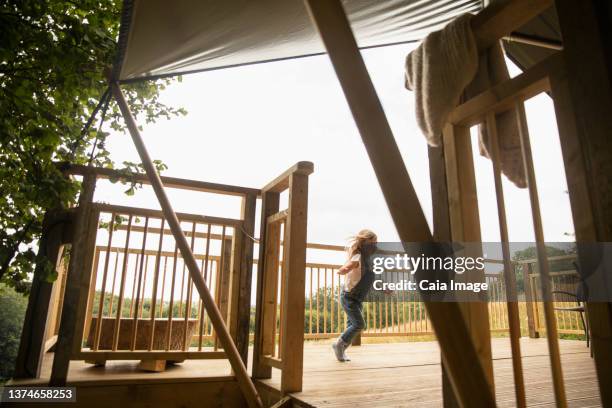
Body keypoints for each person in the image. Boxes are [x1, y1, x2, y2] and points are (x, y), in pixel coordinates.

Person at [332, 229, 378, 362]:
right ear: (364, 243)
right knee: (359, 324)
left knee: (352, 325)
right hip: (349, 297)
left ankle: (341, 350)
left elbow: (371, 278)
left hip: (357, 299)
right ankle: (338, 345)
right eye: (372, 243)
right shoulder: (358, 256)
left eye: (376, 243)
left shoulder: (368, 261)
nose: (374, 246)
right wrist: (344, 269)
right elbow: (348, 266)